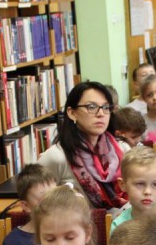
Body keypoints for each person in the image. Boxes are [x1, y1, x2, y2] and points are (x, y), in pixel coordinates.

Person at [38, 81, 126, 209]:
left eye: (106, 107)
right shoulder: (56, 157)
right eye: (91, 107)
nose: (100, 114)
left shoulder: (122, 149)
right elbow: (38, 203)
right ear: (72, 113)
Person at [0, 163, 57, 245]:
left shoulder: (66, 232)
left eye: (56, 195)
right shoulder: (13, 242)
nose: (54, 202)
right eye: (45, 198)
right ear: (26, 206)